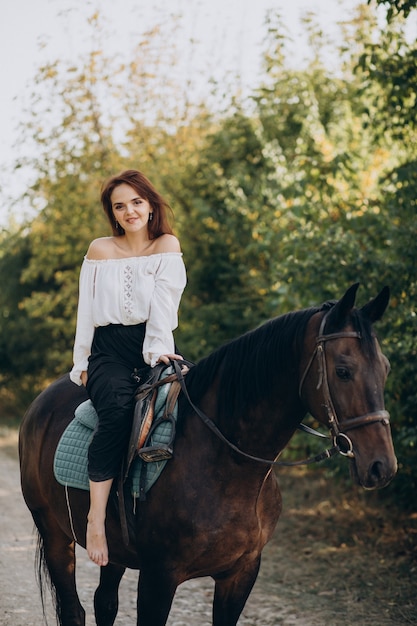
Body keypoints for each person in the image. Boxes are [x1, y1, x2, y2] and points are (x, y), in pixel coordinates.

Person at [69, 169, 187, 567]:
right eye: (120, 206)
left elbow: (164, 309)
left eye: (137, 201)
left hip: (154, 345)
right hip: (108, 352)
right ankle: (97, 519)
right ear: (113, 214)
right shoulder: (99, 250)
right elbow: (86, 311)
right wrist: (82, 362)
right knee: (118, 413)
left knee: (193, 405)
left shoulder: (166, 245)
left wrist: (157, 353)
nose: (130, 211)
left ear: (151, 204)